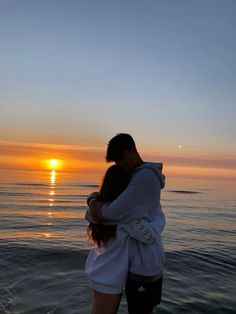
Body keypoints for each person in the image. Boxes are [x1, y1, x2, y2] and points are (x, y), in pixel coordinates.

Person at [86, 133, 166, 314]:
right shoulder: (127, 217)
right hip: (131, 269)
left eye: (121, 158)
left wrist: (92, 203)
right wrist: (161, 219)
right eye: (116, 161)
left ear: (133, 149)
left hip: (136, 267)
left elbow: (112, 213)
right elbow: (122, 215)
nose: (119, 164)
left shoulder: (144, 177)